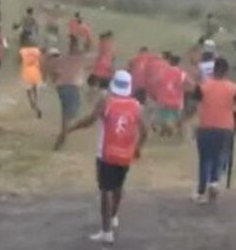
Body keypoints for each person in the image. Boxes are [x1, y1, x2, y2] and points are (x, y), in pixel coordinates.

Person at [66, 70, 147, 245]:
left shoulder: (106, 101)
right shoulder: (136, 105)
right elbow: (144, 132)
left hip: (106, 153)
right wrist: (137, 148)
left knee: (106, 191)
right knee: (118, 186)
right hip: (126, 154)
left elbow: (89, 120)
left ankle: (106, 231)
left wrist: (72, 128)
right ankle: (114, 216)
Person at [192, 57, 236, 204]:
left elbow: (194, 108)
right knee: (219, 157)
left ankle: (201, 192)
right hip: (225, 128)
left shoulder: (203, 86)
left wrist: (193, 125)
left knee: (204, 160)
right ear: (226, 71)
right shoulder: (233, 88)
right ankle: (214, 183)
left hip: (206, 127)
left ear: (214, 70)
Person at [52, 37, 87, 150]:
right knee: (71, 116)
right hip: (72, 88)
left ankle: (63, 135)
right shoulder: (80, 58)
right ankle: (61, 138)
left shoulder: (62, 58)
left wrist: (56, 84)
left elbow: (55, 74)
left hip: (62, 88)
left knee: (65, 114)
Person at [155, 55, 192, 137]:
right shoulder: (181, 73)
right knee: (178, 119)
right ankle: (173, 129)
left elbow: (156, 82)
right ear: (178, 63)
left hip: (163, 101)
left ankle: (167, 128)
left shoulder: (162, 72)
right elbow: (191, 83)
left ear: (169, 62)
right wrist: (183, 88)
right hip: (177, 102)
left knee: (163, 118)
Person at [19, 38, 43, 119]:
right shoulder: (37, 50)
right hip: (36, 74)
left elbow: (18, 61)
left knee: (29, 93)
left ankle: (33, 104)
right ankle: (37, 104)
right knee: (36, 92)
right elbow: (42, 60)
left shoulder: (22, 51)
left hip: (27, 74)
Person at [87, 31, 115, 97]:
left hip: (99, 71)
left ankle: (93, 95)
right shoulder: (108, 45)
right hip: (104, 72)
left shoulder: (103, 45)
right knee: (102, 88)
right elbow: (107, 58)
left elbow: (103, 57)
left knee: (93, 86)